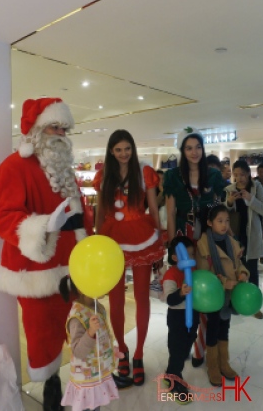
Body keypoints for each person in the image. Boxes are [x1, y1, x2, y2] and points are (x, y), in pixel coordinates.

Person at [0, 98, 92, 411]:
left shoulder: (63, 169)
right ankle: (51, 396)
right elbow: (4, 217)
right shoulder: (13, 167)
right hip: (37, 272)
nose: (61, 133)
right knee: (43, 335)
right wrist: (46, 225)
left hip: (73, 266)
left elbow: (79, 214)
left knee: (77, 330)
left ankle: (84, 389)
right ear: (37, 129)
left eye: (64, 128)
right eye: (55, 126)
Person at [93, 129, 164, 386]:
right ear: (111, 151)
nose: (123, 154)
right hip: (111, 237)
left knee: (143, 295)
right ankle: (121, 350)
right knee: (116, 298)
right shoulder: (103, 176)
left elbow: (154, 208)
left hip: (141, 235)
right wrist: (97, 242)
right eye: (118, 149)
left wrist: (158, 242)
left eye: (127, 148)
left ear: (133, 150)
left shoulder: (144, 173)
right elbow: (101, 211)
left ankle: (138, 354)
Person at [163, 127, 224, 367]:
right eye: (189, 148)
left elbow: (220, 209)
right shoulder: (173, 177)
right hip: (183, 239)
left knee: (206, 288)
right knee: (185, 291)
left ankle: (201, 348)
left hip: (206, 240)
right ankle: (184, 342)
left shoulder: (214, 177)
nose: (194, 152)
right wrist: (171, 245)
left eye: (198, 147)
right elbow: (169, 212)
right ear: (182, 151)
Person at [59, 275, 132, 411]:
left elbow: (102, 336)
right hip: (86, 378)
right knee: (88, 407)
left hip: (96, 373)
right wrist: (90, 332)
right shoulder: (77, 316)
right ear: (81, 289)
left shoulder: (97, 306)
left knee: (95, 406)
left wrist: (110, 350)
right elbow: (78, 351)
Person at [196, 204, 248, 386]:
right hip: (213, 297)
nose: (224, 225)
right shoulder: (203, 245)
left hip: (229, 295)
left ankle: (223, 363)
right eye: (220, 221)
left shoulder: (231, 242)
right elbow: (204, 277)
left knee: (224, 328)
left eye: (227, 221)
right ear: (209, 223)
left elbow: (238, 264)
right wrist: (225, 282)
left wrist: (242, 273)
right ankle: (213, 366)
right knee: (213, 329)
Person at [225, 160, 263, 318]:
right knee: (234, 269)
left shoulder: (257, 188)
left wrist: (251, 199)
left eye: (242, 174)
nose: (239, 178)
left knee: (252, 271)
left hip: (252, 235)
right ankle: (235, 303)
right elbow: (223, 214)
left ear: (249, 174)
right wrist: (229, 203)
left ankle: (254, 305)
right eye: (236, 175)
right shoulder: (229, 189)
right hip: (234, 235)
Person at [162, 236, 199, 405]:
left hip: (193, 314)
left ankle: (170, 373)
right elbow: (170, 299)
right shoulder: (171, 274)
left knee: (188, 343)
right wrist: (180, 293)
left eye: (193, 254)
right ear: (176, 257)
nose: (191, 258)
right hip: (177, 317)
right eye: (187, 255)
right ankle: (174, 381)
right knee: (177, 350)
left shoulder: (193, 270)